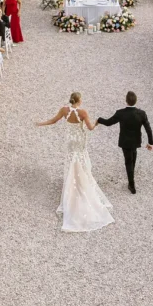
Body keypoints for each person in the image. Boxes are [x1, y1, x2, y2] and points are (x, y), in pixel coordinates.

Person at [37, 92, 114, 232]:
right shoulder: (83, 112)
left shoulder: (64, 110)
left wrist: (41, 123)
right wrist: (97, 122)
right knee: (80, 161)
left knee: (71, 161)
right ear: (79, 101)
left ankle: (72, 181)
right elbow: (90, 128)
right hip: (79, 140)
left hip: (70, 140)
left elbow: (53, 120)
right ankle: (81, 181)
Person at [96, 91, 153, 194]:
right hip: (136, 140)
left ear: (126, 101)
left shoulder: (120, 113)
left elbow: (109, 122)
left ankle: (131, 184)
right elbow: (148, 129)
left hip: (125, 141)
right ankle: (131, 177)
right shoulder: (141, 113)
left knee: (128, 161)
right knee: (133, 156)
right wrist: (150, 142)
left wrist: (99, 120)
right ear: (136, 100)